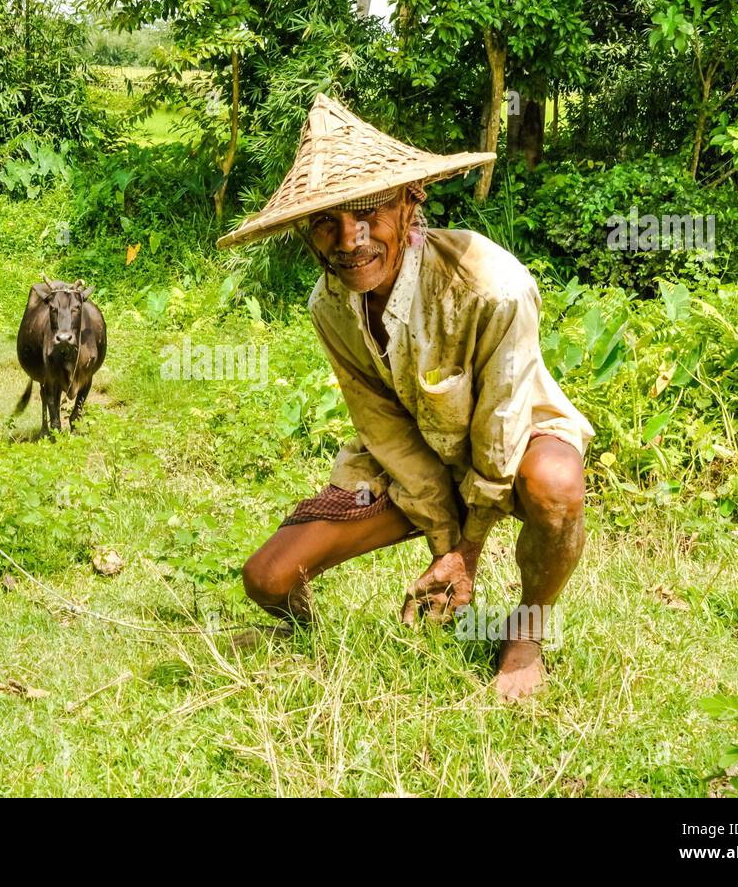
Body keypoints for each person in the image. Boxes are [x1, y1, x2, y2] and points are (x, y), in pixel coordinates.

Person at [217, 94, 595, 700]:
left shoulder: (489, 285)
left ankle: (527, 633)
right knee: (266, 579)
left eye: (368, 212)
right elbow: (383, 427)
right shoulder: (330, 305)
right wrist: (445, 540)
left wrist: (467, 552)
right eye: (325, 221)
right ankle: (307, 639)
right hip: (418, 459)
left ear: (410, 204)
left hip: (513, 445)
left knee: (555, 488)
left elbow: (501, 425)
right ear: (306, 234)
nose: (349, 239)